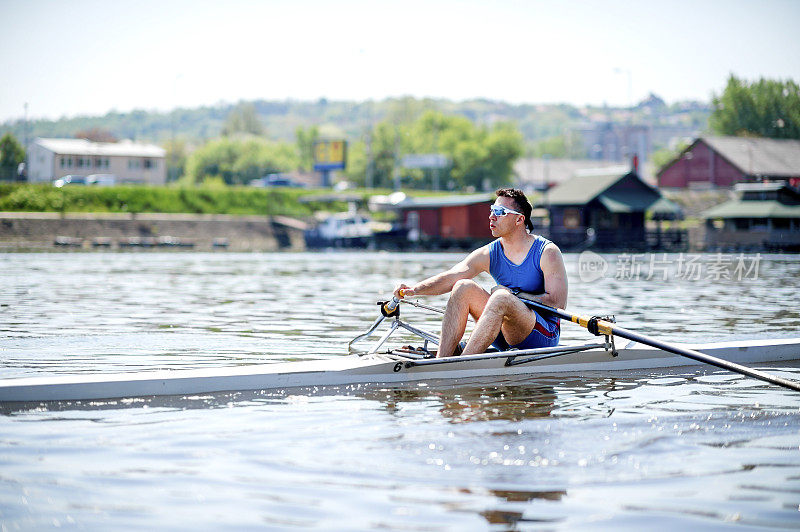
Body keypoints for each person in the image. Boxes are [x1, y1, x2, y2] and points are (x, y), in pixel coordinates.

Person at [393, 188, 568, 357]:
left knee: (501, 297)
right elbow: (451, 276)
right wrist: (415, 289)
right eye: (492, 209)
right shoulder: (490, 253)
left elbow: (558, 302)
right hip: (502, 333)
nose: (491, 216)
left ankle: (464, 364)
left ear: (519, 219)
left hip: (541, 336)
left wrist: (514, 295)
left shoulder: (547, 252)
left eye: (500, 211)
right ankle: (442, 360)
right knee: (463, 286)